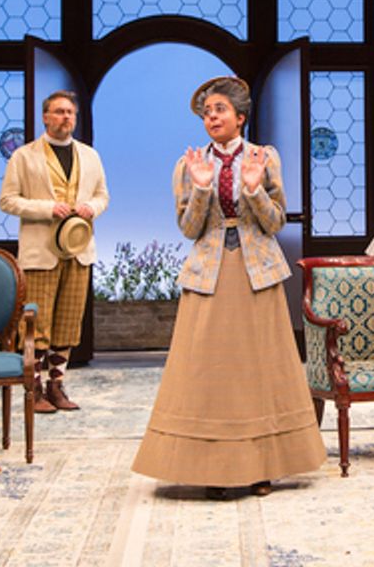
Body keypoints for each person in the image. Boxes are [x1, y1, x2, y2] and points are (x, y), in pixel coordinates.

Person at [133, 76, 325, 498]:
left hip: (258, 270)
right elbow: (188, 228)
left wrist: (255, 190)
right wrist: (201, 187)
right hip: (210, 271)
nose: (211, 117)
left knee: (262, 369)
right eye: (206, 112)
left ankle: (263, 468)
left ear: (240, 117)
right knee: (210, 370)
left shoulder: (263, 156)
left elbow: (275, 222)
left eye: (219, 109)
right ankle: (214, 469)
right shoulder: (188, 164)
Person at [0, 90, 110, 413]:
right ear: (45, 117)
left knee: (67, 323)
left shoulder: (90, 156)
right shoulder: (24, 156)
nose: (66, 118)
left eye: (70, 113)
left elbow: (103, 195)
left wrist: (91, 207)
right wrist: (47, 208)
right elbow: (8, 200)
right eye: (59, 112)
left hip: (78, 250)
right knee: (37, 324)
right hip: (40, 253)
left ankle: (56, 384)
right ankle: (33, 387)